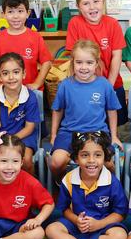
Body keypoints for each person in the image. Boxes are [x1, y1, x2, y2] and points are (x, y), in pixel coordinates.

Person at [45, 132, 128, 239]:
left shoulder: (111, 182)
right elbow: (64, 209)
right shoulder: (69, 179)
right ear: (76, 159)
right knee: (51, 230)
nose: (91, 160)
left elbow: (120, 213)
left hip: (103, 223)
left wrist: (99, 224)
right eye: (84, 155)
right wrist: (76, 220)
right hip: (76, 224)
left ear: (105, 158)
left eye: (97, 155)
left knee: (120, 237)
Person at [50, 40, 122, 181]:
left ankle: (108, 188)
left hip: (98, 132)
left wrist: (114, 136)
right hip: (69, 133)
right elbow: (57, 110)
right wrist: (53, 135)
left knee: (109, 164)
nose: (84, 67)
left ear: (96, 63)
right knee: (56, 162)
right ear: (72, 63)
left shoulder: (104, 84)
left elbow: (112, 111)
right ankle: (63, 184)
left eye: (89, 63)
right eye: (79, 62)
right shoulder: (65, 85)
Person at [66, 0, 128, 125]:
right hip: (84, 84)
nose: (92, 7)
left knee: (114, 122)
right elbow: (73, 58)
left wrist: (109, 86)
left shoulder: (112, 24)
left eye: (96, 1)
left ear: (103, 2)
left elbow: (117, 56)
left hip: (112, 83)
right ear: (78, 7)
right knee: (87, 122)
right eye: (86, 3)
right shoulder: (75, 24)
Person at [0, 53, 40, 176]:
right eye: (5, 73)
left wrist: (12, 141)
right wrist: (1, 141)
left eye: (16, 72)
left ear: (24, 73)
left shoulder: (30, 97)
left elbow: (29, 128)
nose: (11, 77)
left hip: (23, 137)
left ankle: (27, 189)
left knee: (27, 161)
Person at [0, 0, 52, 91]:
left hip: (31, 93)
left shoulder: (35, 37)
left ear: (28, 13)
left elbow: (46, 62)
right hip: (6, 93)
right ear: (3, 14)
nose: (15, 16)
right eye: (10, 12)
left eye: (20, 11)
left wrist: (37, 83)